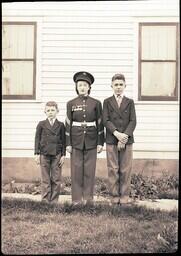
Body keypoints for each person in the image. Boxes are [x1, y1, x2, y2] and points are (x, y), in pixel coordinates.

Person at [65, 71, 104, 205]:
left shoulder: (96, 103)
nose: (82, 87)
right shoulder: (71, 103)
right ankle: (76, 200)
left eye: (85, 85)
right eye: (80, 85)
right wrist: (68, 143)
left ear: (89, 87)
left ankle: (88, 199)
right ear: (76, 87)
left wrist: (100, 142)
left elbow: (100, 123)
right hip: (75, 140)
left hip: (92, 140)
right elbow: (68, 124)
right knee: (76, 170)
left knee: (89, 170)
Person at [103, 73, 136, 205]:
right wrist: (117, 134)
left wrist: (124, 137)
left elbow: (133, 121)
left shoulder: (130, 102)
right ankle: (114, 196)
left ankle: (124, 196)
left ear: (125, 86)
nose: (118, 87)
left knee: (125, 169)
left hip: (127, 140)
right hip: (112, 139)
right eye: (116, 85)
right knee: (113, 168)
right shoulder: (107, 102)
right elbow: (106, 120)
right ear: (111, 86)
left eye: (120, 85)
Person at [34, 101, 66, 203]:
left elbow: (64, 141)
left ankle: (54, 201)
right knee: (45, 179)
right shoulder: (41, 124)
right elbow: (37, 139)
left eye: (53, 110)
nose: (50, 112)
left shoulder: (61, 125)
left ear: (57, 111)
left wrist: (63, 155)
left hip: (57, 154)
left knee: (56, 179)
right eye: (48, 110)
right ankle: (45, 200)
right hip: (44, 154)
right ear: (45, 112)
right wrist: (36, 153)